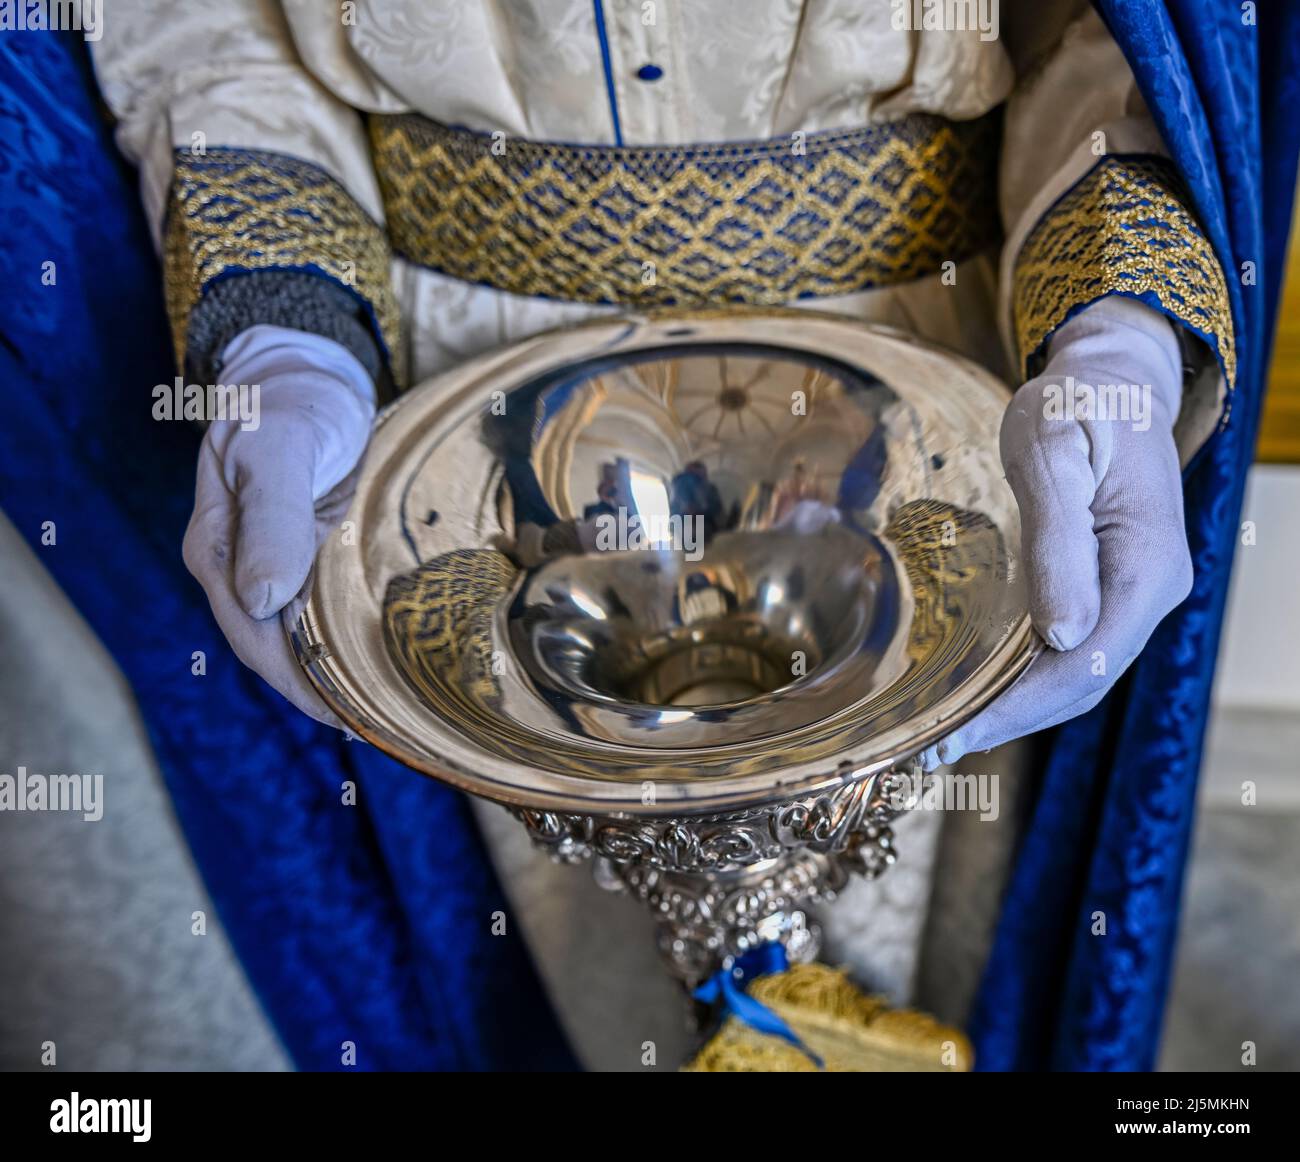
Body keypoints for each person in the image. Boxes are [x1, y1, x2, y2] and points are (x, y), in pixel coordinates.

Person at [90, 1, 1240, 1069]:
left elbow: (1097, 32)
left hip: (933, 414)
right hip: (454, 454)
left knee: (924, 984)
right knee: (556, 1004)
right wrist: (289, 341)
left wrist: (1117, 333)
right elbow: (208, 24)